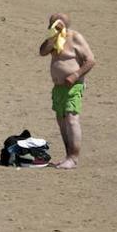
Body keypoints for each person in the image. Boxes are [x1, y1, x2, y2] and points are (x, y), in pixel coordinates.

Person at [38, 12, 97, 169]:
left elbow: (90, 60)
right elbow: (42, 52)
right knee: (61, 121)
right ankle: (68, 156)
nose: (52, 27)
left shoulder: (75, 37)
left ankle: (74, 157)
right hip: (58, 88)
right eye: (51, 25)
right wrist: (52, 36)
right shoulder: (54, 39)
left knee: (71, 119)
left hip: (73, 86)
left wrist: (75, 75)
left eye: (56, 25)